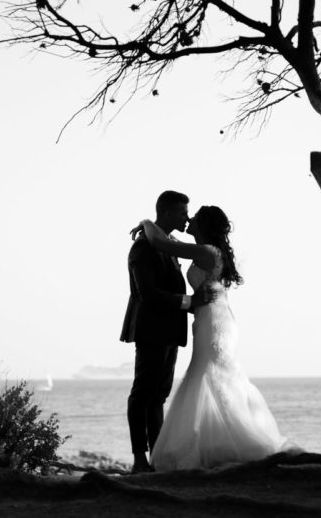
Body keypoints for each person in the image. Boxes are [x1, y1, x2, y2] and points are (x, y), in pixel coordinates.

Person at [135, 205, 292, 472]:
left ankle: (227, 442)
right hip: (209, 318)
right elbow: (167, 241)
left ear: (204, 225)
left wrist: (145, 220)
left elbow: (160, 241)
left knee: (208, 373)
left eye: (194, 217)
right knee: (211, 374)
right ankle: (216, 441)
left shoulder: (206, 251)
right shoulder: (206, 250)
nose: (189, 218)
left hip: (214, 322)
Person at [120, 190, 213, 474]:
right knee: (142, 393)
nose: (187, 218)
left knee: (159, 394)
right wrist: (189, 303)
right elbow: (147, 293)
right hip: (150, 329)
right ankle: (139, 459)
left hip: (170, 330)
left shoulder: (167, 243)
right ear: (169, 212)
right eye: (184, 213)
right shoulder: (143, 247)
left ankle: (157, 457)